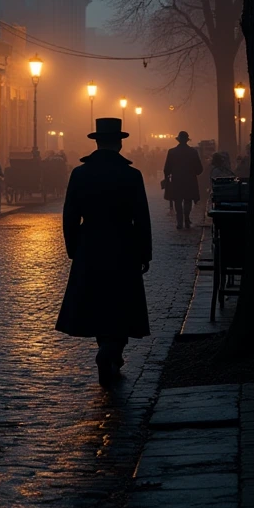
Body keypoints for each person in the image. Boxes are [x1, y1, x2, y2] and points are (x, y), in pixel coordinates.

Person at [56, 117, 152, 388]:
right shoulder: (132, 175)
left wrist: (73, 247)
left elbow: (70, 215)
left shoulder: (80, 174)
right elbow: (141, 218)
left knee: (96, 299)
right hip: (123, 244)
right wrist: (145, 252)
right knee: (122, 300)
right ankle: (112, 349)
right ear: (120, 143)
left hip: (91, 244)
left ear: (97, 142)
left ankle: (106, 348)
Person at [164, 131, 203, 229]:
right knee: (188, 200)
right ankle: (186, 218)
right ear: (187, 140)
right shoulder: (193, 152)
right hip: (189, 180)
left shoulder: (172, 152)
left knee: (177, 200)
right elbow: (199, 169)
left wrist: (167, 177)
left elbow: (167, 168)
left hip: (177, 180)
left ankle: (179, 221)